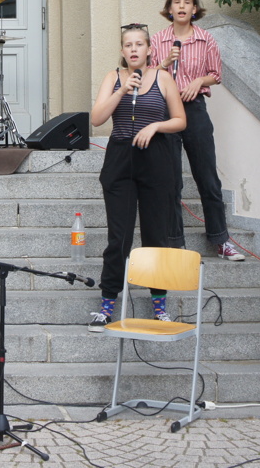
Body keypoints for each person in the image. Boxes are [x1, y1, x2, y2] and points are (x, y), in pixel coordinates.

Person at [88, 24, 188, 332]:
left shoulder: (163, 77)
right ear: (122, 51)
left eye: (139, 44)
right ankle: (107, 305)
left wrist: (155, 126)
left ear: (149, 50)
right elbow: (96, 119)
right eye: (128, 45)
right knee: (119, 237)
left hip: (156, 159)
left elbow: (180, 120)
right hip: (121, 159)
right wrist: (121, 91)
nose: (134, 49)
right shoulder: (114, 77)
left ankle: (159, 306)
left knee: (156, 236)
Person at [150, 0, 244, 261]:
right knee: (170, 180)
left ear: (194, 9)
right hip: (166, 109)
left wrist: (198, 81)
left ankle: (221, 240)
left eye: (187, 2)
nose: (181, 6)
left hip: (195, 108)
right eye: (176, 2)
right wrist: (165, 63)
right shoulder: (157, 40)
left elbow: (216, 74)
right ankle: (175, 243)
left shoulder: (206, 39)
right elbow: (148, 75)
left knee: (207, 176)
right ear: (169, 9)